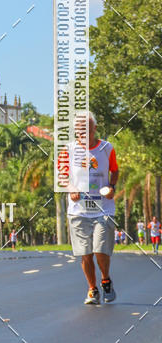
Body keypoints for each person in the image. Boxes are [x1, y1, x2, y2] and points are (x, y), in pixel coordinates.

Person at [67, 112, 119, 305]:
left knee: (100, 250)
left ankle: (105, 280)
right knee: (86, 253)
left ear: (94, 129)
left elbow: (114, 171)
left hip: (103, 209)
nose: (83, 133)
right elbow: (63, 176)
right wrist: (71, 188)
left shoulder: (107, 148)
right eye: (79, 129)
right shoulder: (68, 150)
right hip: (78, 210)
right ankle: (92, 289)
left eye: (86, 129)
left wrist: (111, 187)